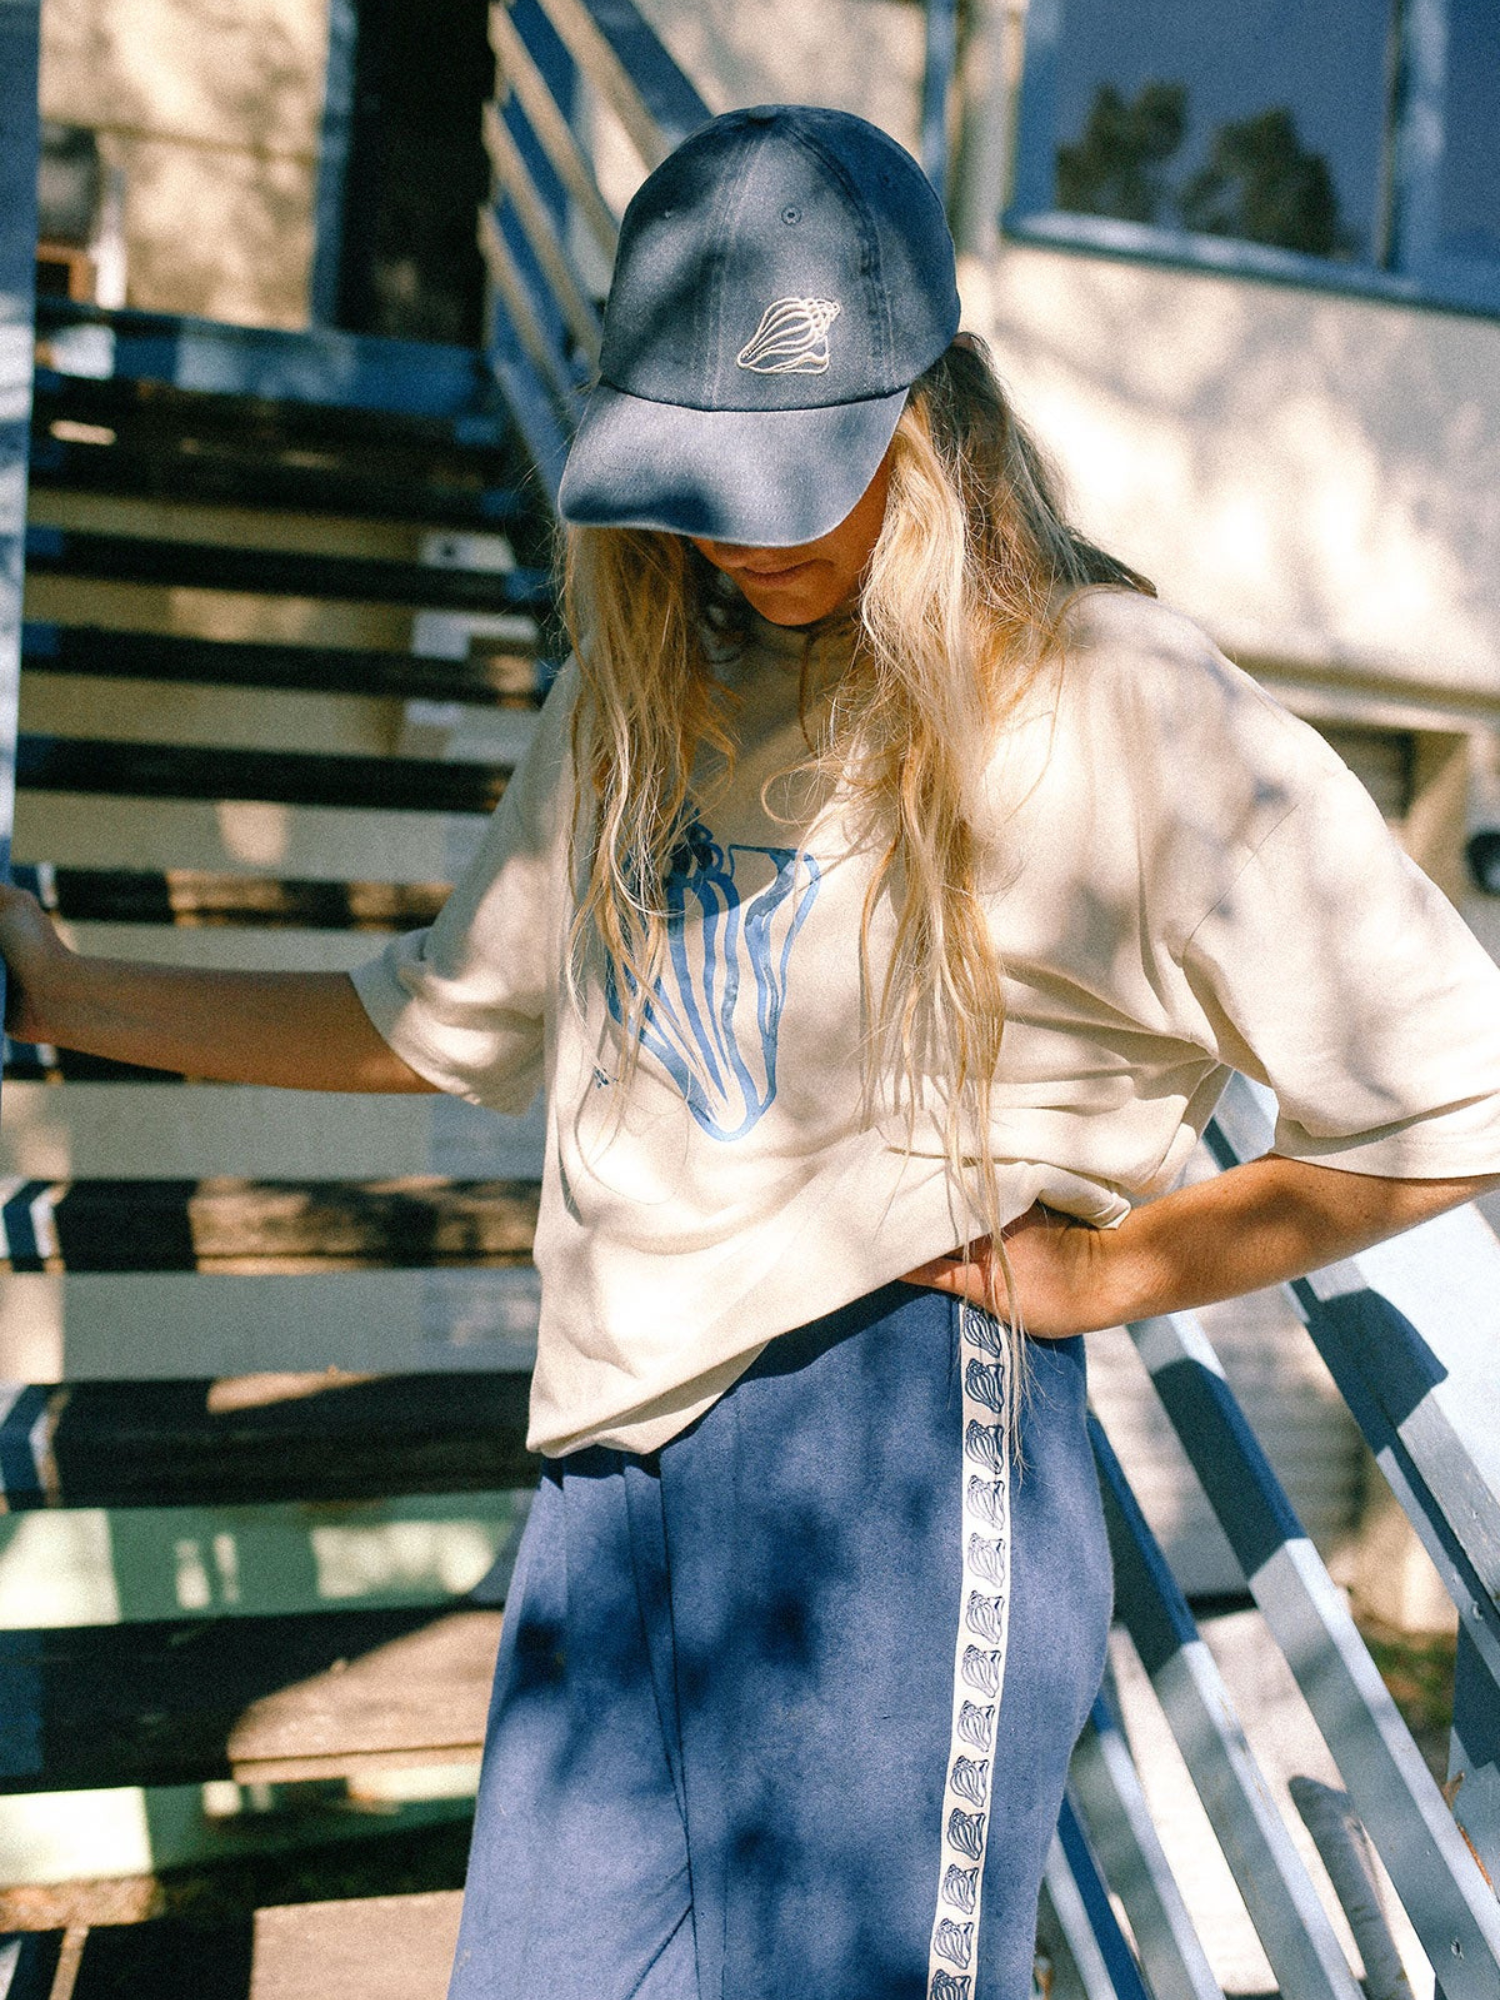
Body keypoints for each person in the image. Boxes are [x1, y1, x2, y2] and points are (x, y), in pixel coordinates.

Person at [5, 104, 1500, 2000]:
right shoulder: (633, 688)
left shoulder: (1116, 699)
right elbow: (432, 1016)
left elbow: (1459, 1085)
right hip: (604, 1462)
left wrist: (1121, 1269)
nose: (735, 536)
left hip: (884, 1438)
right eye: (691, 474)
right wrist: (65, 992)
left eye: (788, 468)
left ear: (932, 412)